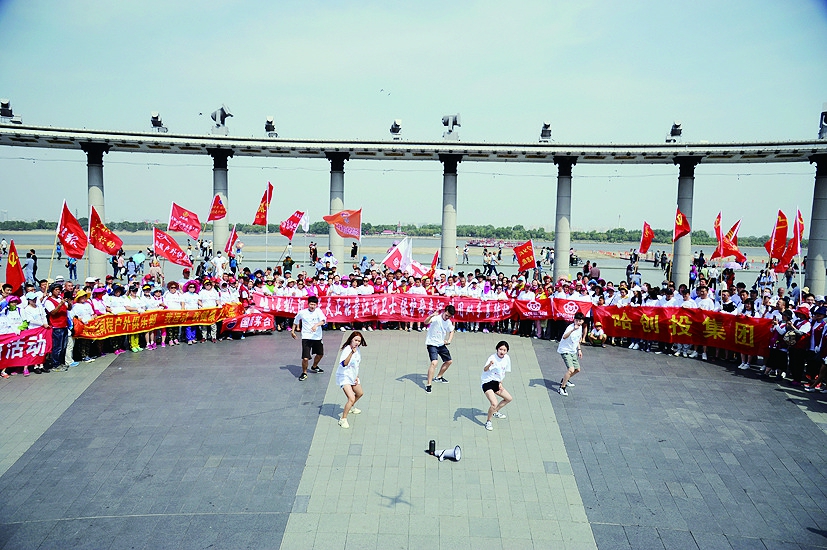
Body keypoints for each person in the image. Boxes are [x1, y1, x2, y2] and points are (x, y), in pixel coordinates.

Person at [336, 331, 367, 428]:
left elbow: (356, 364)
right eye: (355, 340)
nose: (357, 342)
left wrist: (356, 376)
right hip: (344, 376)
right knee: (351, 398)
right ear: (351, 340)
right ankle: (343, 419)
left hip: (353, 376)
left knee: (360, 393)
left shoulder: (358, 350)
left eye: (359, 341)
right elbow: (344, 364)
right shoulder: (347, 350)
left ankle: (351, 407)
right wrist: (351, 353)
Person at [292, 295, 327, 381]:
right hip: (306, 337)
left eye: (314, 305)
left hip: (317, 337)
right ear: (308, 304)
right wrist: (292, 331)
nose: (312, 306)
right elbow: (296, 320)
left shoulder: (318, 311)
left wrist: (316, 325)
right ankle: (304, 373)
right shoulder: (302, 312)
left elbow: (323, 321)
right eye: (311, 304)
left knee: (320, 354)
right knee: (305, 357)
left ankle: (314, 366)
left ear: (316, 305)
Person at [481, 340, 513, 431]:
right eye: (500, 349)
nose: (502, 352)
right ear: (497, 349)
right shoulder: (492, 358)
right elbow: (485, 369)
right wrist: (489, 364)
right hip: (487, 382)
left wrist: (500, 383)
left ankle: (495, 412)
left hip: (497, 383)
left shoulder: (507, 358)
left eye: (504, 350)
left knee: (509, 398)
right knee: (494, 403)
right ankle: (488, 421)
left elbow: (503, 372)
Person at [424, 305, 455, 393]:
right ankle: (429, 385)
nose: (447, 317)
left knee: (449, 361)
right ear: (444, 311)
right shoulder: (436, 318)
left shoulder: (448, 322)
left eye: (449, 316)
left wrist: (449, 341)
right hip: (432, 344)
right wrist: (431, 315)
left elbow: (452, 330)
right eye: (446, 315)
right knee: (434, 363)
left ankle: (439, 377)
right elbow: (426, 322)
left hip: (441, 344)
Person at [557, 311, 585, 396]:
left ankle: (565, 379)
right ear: (574, 320)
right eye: (576, 320)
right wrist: (573, 330)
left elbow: (577, 339)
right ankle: (562, 388)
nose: (578, 322)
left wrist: (579, 349)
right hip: (565, 350)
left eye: (580, 321)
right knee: (571, 369)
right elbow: (564, 336)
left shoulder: (580, 327)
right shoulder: (570, 327)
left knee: (577, 369)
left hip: (573, 350)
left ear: (583, 321)